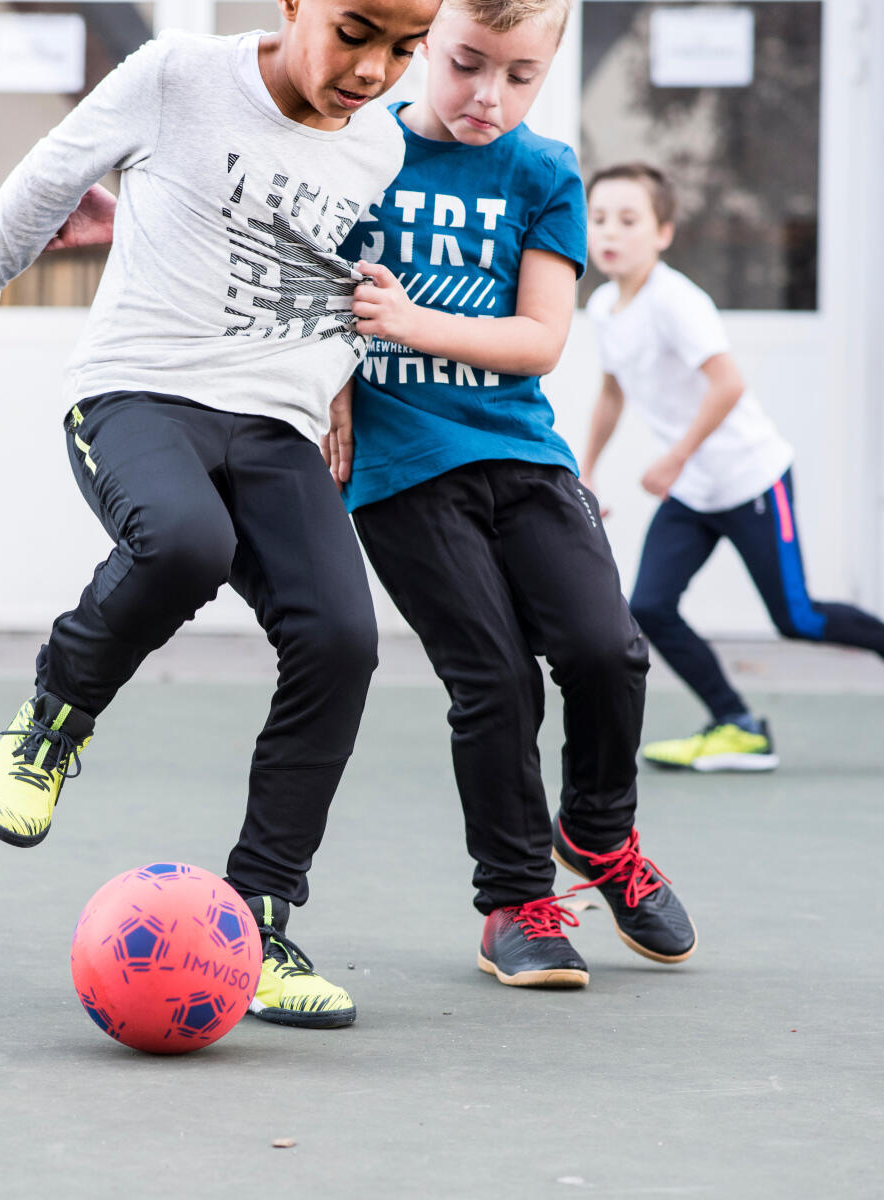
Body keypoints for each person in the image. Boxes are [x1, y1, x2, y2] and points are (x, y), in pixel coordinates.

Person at [0, 0, 440, 1029]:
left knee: (341, 638)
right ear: (293, 5)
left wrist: (335, 383)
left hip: (274, 428)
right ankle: (50, 725)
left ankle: (263, 918)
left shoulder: (377, 146)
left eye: (406, 49)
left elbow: (324, 276)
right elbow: (45, 181)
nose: (375, 71)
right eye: (357, 33)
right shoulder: (178, 75)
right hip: (141, 394)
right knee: (188, 542)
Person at [330, 0, 694, 991]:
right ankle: (513, 902)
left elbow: (540, 339)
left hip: (523, 457)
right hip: (403, 472)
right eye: (465, 63)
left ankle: (599, 834)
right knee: (495, 682)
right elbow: (311, 295)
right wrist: (331, 397)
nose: (488, 94)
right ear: (422, 45)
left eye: (520, 74)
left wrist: (405, 324)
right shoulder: (358, 151)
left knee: (607, 652)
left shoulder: (544, 173)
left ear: (549, 70)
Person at [579, 162, 884, 773]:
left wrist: (676, 456)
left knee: (798, 617)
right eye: (599, 218)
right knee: (650, 606)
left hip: (751, 479)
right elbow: (611, 391)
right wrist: (589, 469)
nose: (610, 232)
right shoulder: (605, 306)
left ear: (663, 232)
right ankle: (736, 725)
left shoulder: (677, 302)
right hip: (695, 490)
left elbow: (728, 383)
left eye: (629, 220)